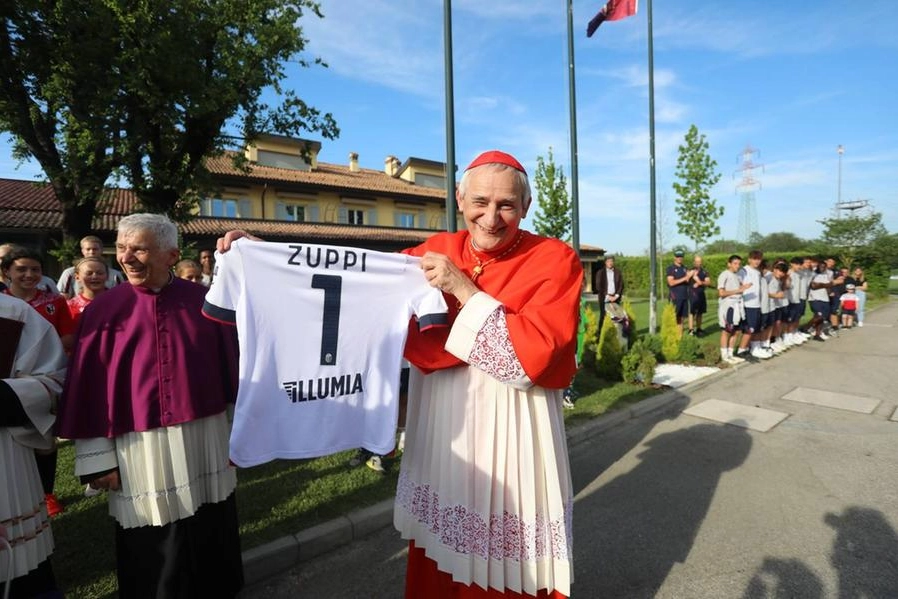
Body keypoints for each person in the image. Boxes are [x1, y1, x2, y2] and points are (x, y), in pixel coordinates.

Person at [217, 150, 582, 598]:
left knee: (508, 553)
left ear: (525, 208)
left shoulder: (554, 258)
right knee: (443, 546)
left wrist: (463, 289)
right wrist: (266, 255)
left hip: (513, 421)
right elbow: (355, 282)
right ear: (459, 198)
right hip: (443, 421)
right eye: (481, 202)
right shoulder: (436, 249)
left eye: (506, 205)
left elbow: (536, 354)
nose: (491, 217)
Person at [57, 213, 243, 598]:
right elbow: (89, 392)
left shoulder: (206, 303)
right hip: (139, 445)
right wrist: (97, 459)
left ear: (170, 255)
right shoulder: (102, 313)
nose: (127, 258)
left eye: (139, 248)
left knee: (210, 519)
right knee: (154, 531)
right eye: (122, 248)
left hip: (204, 434)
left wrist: (239, 435)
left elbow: (233, 372)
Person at [0, 293, 66, 597]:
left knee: (22, 579)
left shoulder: (11, 312)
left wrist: (7, 397)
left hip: (5, 457)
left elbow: (55, 380)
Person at [1, 245, 76, 518]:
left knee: (45, 441)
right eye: (21, 269)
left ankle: (47, 492)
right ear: (6, 272)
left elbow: (66, 336)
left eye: (35, 269)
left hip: (42, 373)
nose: (29, 274)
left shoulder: (52, 302)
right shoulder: (5, 303)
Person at [56, 235, 124, 298]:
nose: (91, 252)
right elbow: (63, 298)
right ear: (82, 251)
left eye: (95, 249)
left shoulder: (115, 275)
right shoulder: (69, 273)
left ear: (101, 250)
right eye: (88, 249)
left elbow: (122, 297)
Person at [736, 250, 770, 360]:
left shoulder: (757, 272)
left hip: (756, 305)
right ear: (749, 259)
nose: (757, 261)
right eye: (755, 259)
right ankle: (741, 350)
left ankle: (751, 348)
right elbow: (738, 285)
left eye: (759, 259)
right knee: (749, 329)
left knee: (755, 328)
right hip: (747, 304)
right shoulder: (744, 271)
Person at [717, 254, 751, 364]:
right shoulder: (724, 275)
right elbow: (721, 293)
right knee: (727, 330)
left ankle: (731, 354)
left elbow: (739, 289)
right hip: (729, 306)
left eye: (739, 264)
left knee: (736, 331)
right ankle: (724, 355)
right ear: (729, 264)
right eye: (735, 263)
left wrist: (743, 288)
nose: (737, 266)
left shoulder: (738, 276)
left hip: (738, 305)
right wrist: (738, 290)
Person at [66, 257, 109, 326]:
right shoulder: (69, 307)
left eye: (100, 273)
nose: (95, 277)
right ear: (77, 277)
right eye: (89, 273)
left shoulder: (119, 302)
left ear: (107, 276)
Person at [666, 250, 695, 335]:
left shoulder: (685, 268)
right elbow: (671, 282)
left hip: (684, 296)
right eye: (678, 256)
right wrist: (686, 277)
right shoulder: (670, 268)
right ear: (674, 257)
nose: (679, 258)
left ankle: (679, 338)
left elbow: (689, 281)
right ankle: (671, 337)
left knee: (681, 319)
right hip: (675, 296)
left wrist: (691, 276)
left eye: (681, 256)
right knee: (673, 318)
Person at [593, 254, 623, 332]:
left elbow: (621, 285)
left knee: (616, 316)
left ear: (613, 262)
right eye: (608, 261)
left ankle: (616, 334)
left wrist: (616, 295)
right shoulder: (600, 272)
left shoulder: (618, 272)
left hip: (615, 298)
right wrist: (607, 296)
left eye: (611, 261)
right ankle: (600, 335)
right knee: (603, 316)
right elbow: (598, 286)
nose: (610, 263)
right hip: (604, 297)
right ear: (605, 262)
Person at [688, 255, 711, 336]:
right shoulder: (690, 270)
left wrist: (700, 283)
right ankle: (691, 330)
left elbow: (708, 282)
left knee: (700, 312)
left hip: (701, 293)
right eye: (697, 262)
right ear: (694, 262)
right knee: (692, 312)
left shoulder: (705, 272)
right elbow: (687, 279)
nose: (698, 263)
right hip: (692, 293)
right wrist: (692, 276)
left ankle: (699, 329)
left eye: (700, 262)